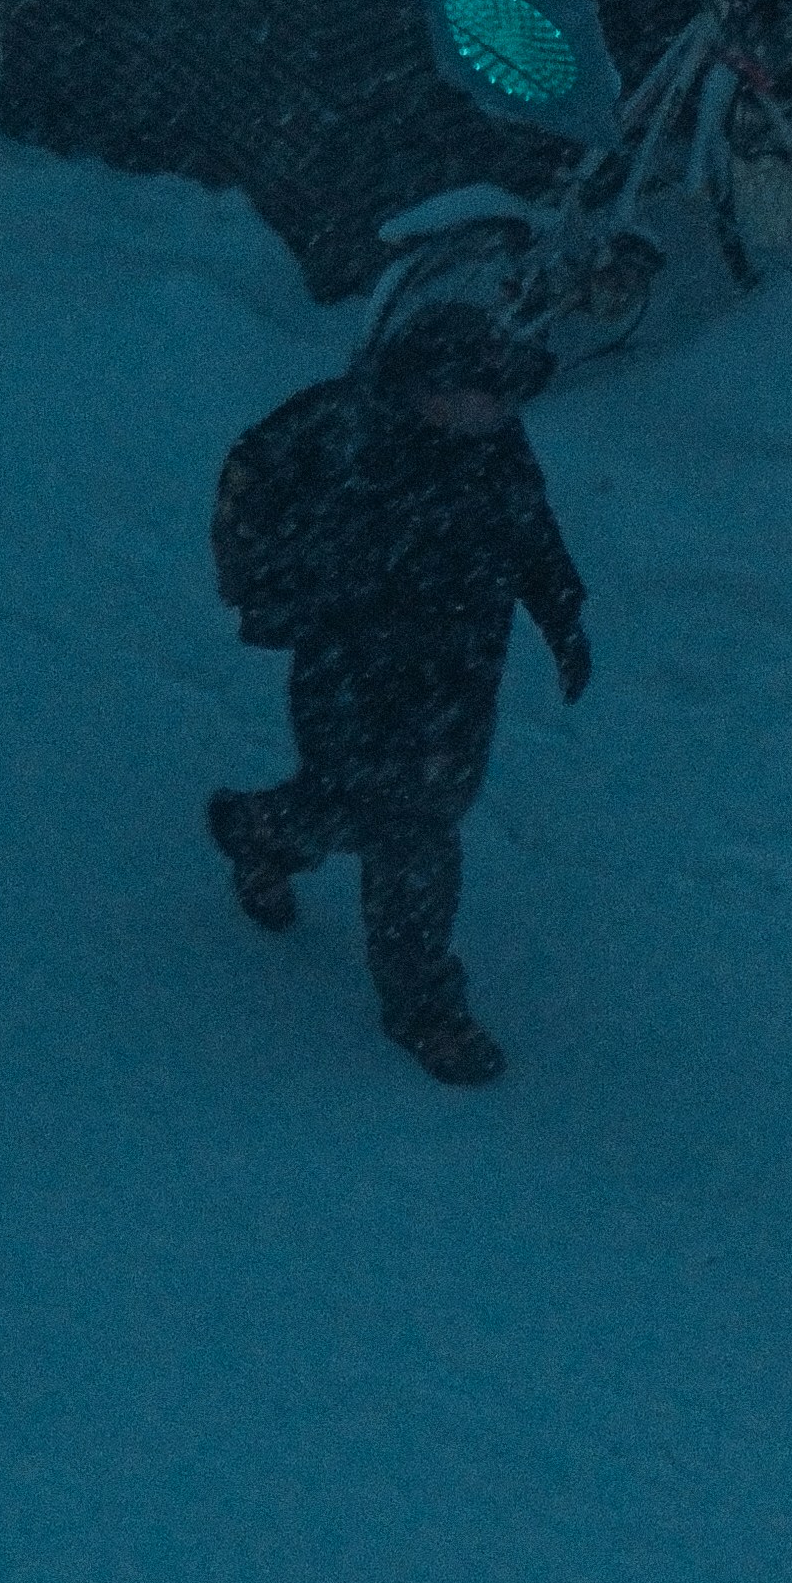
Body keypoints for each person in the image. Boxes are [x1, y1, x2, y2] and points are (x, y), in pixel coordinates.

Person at [204, 295, 590, 1087]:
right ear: (432, 389)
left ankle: (263, 833)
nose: (502, 411)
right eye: (487, 396)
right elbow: (255, 490)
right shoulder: (345, 435)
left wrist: (563, 617)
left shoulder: (495, 445)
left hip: (459, 672)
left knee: (410, 813)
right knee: (405, 830)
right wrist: (271, 591)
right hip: (353, 670)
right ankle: (427, 1011)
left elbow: (529, 526)